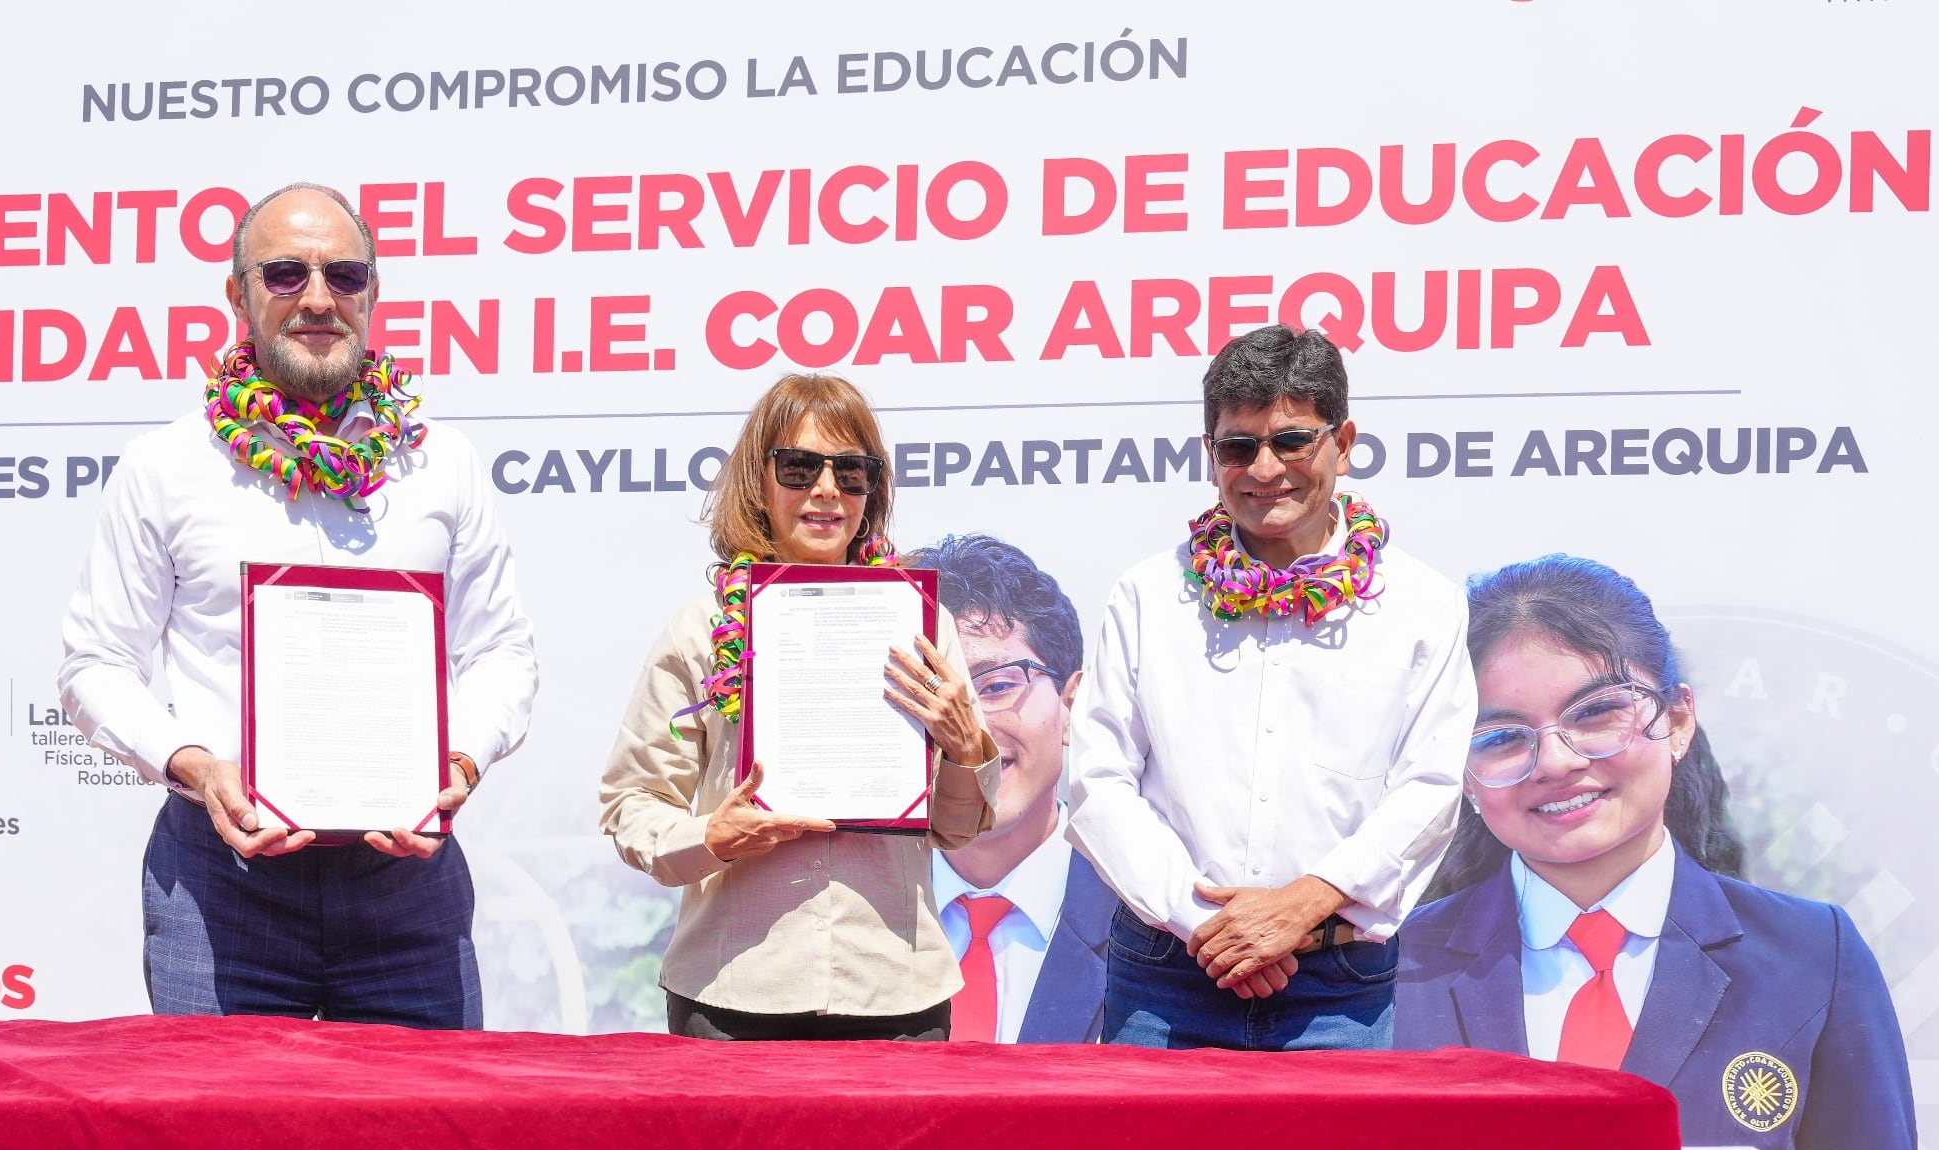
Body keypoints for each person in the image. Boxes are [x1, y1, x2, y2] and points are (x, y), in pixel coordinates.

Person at [1396, 555, 1938, 1150]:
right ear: (1459, 769)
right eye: (1501, 736)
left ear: (1678, 720)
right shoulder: (1392, 971)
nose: (1555, 762)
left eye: (1596, 713)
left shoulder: (1814, 959)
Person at [60, 182, 537, 1029]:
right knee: (217, 1119)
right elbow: (96, 664)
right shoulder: (165, 467)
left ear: (371, 294)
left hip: (408, 884)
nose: (318, 298)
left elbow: (499, 650)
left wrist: (459, 764)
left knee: (426, 1116)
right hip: (221, 887)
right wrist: (195, 765)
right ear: (237, 293)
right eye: (285, 273)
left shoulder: (442, 464)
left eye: (343, 275)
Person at [1068, 325, 1476, 1050]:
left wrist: (1304, 905)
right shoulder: (1148, 596)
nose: (1265, 469)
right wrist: (1212, 927)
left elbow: (1431, 788)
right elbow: (1099, 781)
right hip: (1166, 977)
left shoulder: (1421, 604)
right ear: (1210, 455)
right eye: (1238, 446)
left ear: (1342, 444)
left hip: (1336, 986)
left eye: (1292, 441)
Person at [599, 374, 999, 1041]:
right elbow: (631, 805)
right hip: (734, 993)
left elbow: (957, 831)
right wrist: (711, 838)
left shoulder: (924, 629)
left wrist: (963, 750)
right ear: (759, 481)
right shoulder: (701, 632)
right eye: (799, 467)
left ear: (873, 490)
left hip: (895, 995)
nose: (826, 489)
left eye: (851, 471)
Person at [923, 535, 1118, 1043]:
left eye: (996, 686)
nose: (967, 729)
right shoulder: (853, 924)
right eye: (933, 694)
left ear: (1071, 706)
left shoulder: (1148, 925)